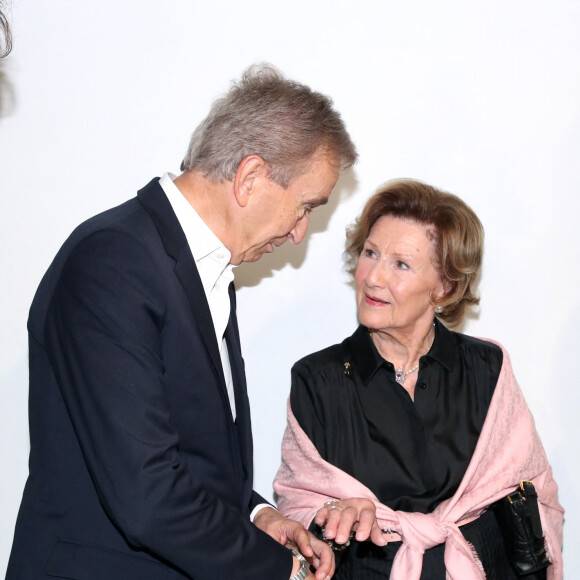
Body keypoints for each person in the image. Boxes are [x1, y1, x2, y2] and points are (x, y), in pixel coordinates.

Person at [6, 64, 357, 580]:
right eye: (304, 207)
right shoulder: (115, 262)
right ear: (251, 177)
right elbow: (146, 492)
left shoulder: (204, 268)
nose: (299, 233)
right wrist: (283, 572)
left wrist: (256, 514)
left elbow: (190, 453)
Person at [274, 179, 564, 580]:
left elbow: (535, 494)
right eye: (370, 253)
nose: (373, 277)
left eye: (401, 264)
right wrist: (333, 518)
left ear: (444, 287)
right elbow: (298, 510)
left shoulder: (488, 368)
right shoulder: (317, 380)